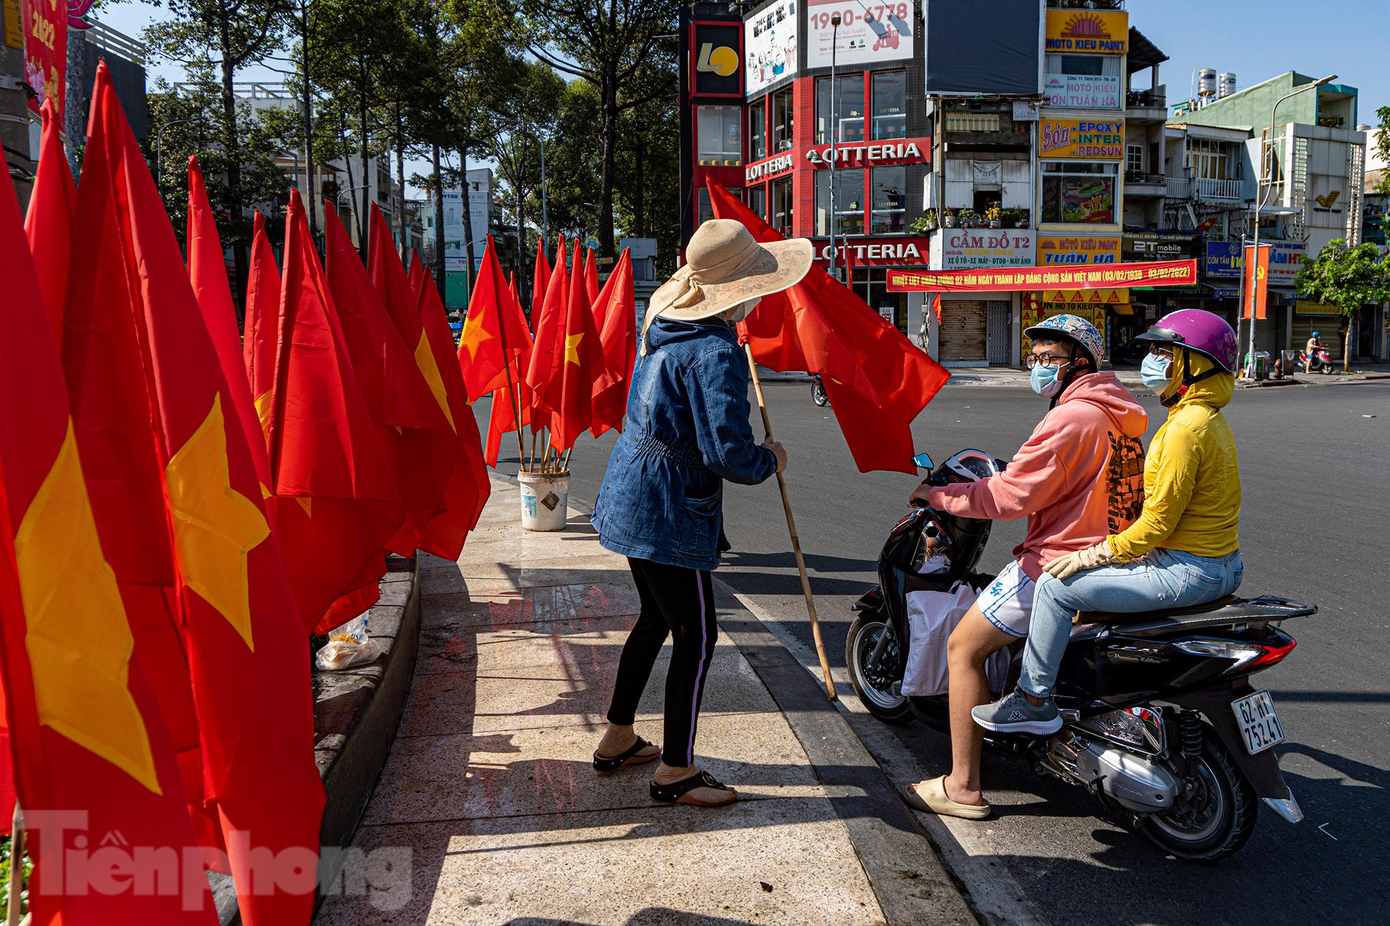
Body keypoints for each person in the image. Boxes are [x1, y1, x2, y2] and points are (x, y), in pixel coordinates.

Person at [589, 219, 811, 808]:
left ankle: (617, 735)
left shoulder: (664, 330)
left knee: (655, 619)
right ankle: (676, 770)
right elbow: (729, 455)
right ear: (739, 291)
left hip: (631, 492)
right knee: (697, 633)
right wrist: (771, 459)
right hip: (669, 507)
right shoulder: (715, 353)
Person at [902, 315, 1147, 819]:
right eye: (1033, 358)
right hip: (1118, 558)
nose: (1036, 367)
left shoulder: (1071, 417)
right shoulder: (1121, 414)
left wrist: (941, 494)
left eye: (1047, 359)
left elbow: (1011, 497)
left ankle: (962, 787)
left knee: (963, 648)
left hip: (1059, 563)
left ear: (1079, 363)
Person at [972, 310, 1244, 733]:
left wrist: (1092, 555)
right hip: (1224, 565)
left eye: (1163, 351)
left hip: (1187, 568)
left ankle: (1032, 699)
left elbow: (1155, 526)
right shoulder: (1209, 420)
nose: (1152, 360)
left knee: (1055, 587)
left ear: (1195, 364)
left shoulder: (1182, 430)